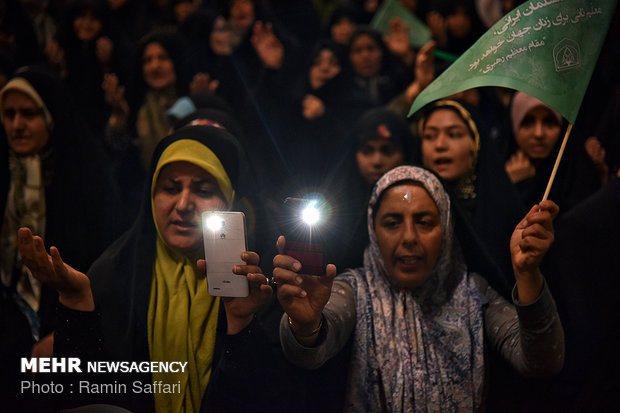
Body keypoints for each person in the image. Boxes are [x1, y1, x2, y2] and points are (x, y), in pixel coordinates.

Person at [16, 125, 289, 412]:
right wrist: (75, 300)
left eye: (204, 190)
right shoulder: (114, 272)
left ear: (232, 199)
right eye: (170, 188)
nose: (183, 204)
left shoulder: (257, 280)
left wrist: (240, 325)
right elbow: (83, 393)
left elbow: (268, 397)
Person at [274, 165, 564, 412]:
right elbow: (308, 353)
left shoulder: (472, 292)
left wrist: (527, 275)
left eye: (424, 222)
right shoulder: (355, 290)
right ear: (373, 231)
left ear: (447, 228)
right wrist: (306, 324)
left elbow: (542, 362)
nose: (409, 237)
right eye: (392, 222)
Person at [0, 65, 123, 410]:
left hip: (69, 328)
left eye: (29, 114)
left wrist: (62, 331)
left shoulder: (84, 174)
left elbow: (105, 262)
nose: (16, 125)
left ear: (51, 116)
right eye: (8, 114)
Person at [416, 99, 525, 298]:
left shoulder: (504, 206)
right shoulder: (412, 208)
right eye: (430, 136)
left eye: (454, 134)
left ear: (476, 142)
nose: (440, 145)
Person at [505, 91, 600, 214]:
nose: (539, 133)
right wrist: (509, 186)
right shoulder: (496, 171)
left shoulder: (577, 172)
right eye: (528, 123)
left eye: (549, 122)